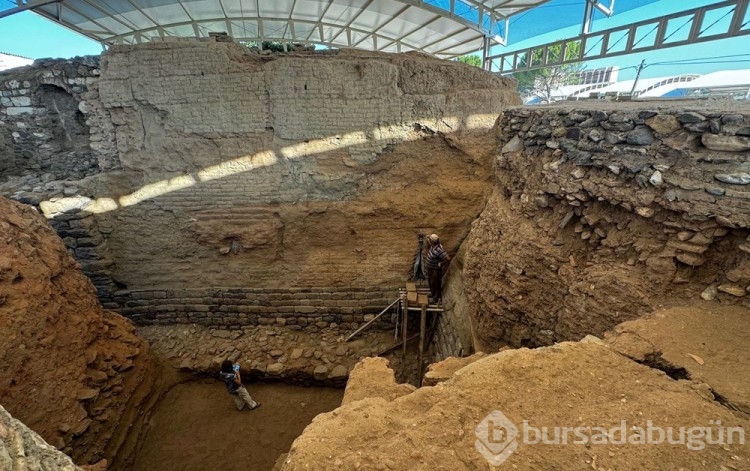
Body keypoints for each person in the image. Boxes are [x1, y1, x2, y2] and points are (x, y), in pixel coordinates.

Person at [425, 233, 450, 303]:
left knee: (436, 283)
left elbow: (448, 258)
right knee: (431, 282)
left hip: (435, 270)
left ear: (433, 241)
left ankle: (435, 298)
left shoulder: (439, 249)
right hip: (430, 269)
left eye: (430, 240)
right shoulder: (433, 246)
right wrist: (427, 237)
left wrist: (441, 264)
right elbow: (428, 239)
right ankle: (432, 294)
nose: (429, 240)